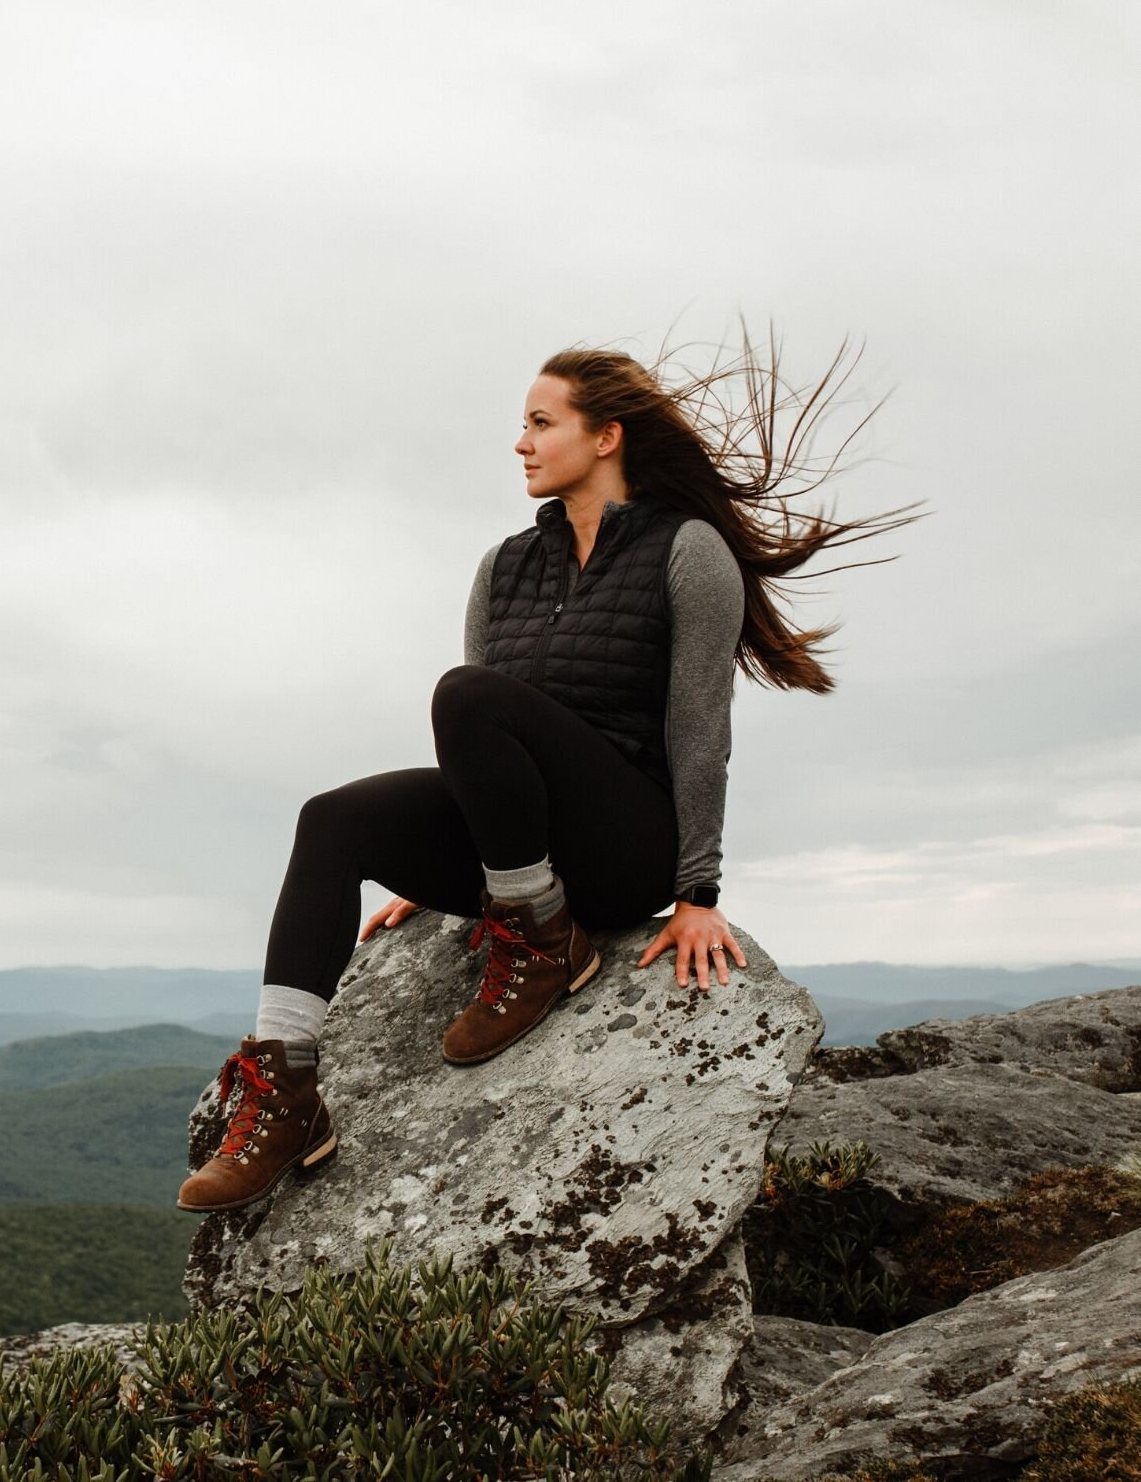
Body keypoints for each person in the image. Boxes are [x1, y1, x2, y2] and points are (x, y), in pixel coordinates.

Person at [177, 339, 920, 1214]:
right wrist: (441, 862)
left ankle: (539, 946)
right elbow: (477, 753)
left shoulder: (688, 552)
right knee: (332, 817)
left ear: (606, 437)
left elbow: (699, 731)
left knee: (468, 693)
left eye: (540, 423)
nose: (521, 443)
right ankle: (287, 1092)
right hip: (526, 853)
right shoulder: (505, 567)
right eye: (521, 426)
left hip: (624, 847)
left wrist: (698, 892)